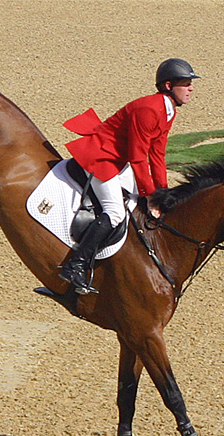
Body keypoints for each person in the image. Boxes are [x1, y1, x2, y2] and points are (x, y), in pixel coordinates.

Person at [58, 58, 199, 294]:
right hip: (102, 155)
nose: (191, 88)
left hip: (118, 158)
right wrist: (150, 196)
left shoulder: (168, 110)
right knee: (114, 211)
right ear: (168, 86)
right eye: (185, 83)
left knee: (134, 205)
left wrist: (163, 193)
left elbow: (157, 154)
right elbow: (137, 157)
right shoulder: (149, 109)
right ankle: (75, 266)